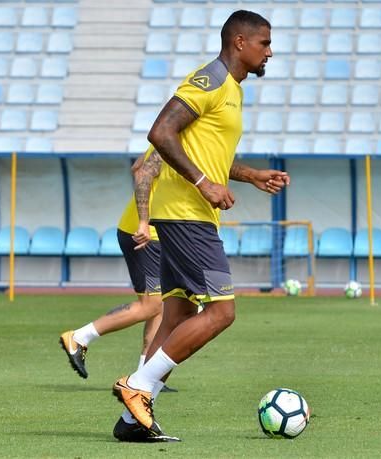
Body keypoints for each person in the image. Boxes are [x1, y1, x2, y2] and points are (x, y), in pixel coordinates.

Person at [111, 10, 289, 441]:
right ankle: (139, 386)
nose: (270, 51)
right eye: (264, 43)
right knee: (222, 311)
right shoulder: (209, 79)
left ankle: (133, 420)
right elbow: (161, 131)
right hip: (186, 214)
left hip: (183, 213)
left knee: (179, 311)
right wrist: (202, 183)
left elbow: (208, 152)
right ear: (240, 42)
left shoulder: (233, 90)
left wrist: (250, 175)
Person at [59, 145, 178, 394]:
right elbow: (141, 174)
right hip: (146, 234)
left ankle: (146, 374)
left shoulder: (167, 141)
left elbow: (136, 167)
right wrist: (145, 219)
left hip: (147, 231)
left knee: (161, 305)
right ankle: (80, 337)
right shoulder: (173, 141)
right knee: (152, 305)